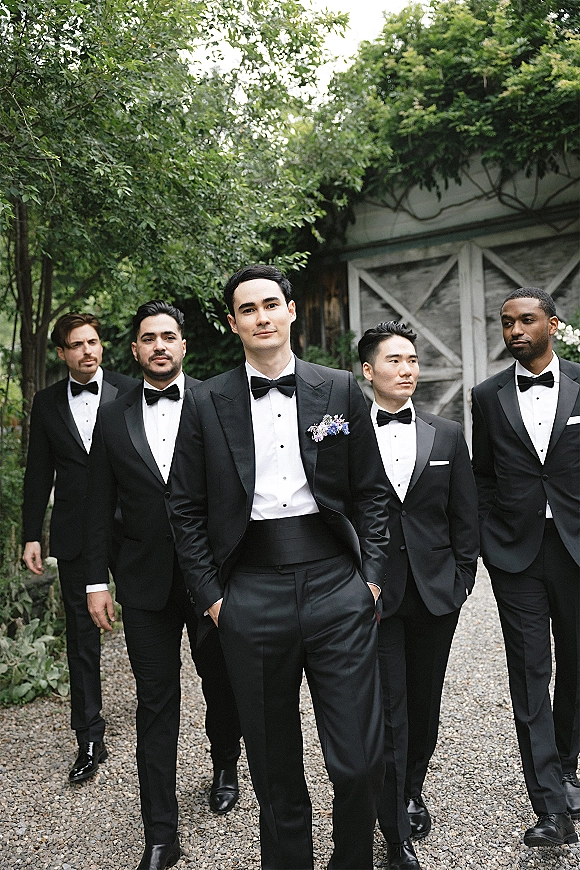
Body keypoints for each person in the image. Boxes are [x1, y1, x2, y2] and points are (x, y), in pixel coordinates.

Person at [169, 264, 390, 870]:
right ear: (232, 323)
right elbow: (184, 507)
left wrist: (371, 578)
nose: (261, 317)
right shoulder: (205, 400)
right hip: (250, 592)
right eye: (248, 309)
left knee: (359, 760)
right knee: (274, 767)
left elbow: (372, 491)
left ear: (291, 311)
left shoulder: (338, 388)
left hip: (335, 583)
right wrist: (213, 597)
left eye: (271, 304)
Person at [84, 300, 242, 870]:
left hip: (211, 580)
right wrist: (94, 582)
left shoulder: (215, 403)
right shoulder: (111, 416)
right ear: (135, 349)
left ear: (183, 345)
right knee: (155, 701)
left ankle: (225, 764)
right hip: (143, 582)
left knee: (221, 682)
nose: (159, 346)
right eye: (148, 338)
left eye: (168, 336)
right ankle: (160, 834)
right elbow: (97, 504)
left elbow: (237, 490)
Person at [359, 321, 479, 870]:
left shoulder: (446, 434)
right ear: (368, 371)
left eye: (412, 359)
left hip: (436, 593)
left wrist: (461, 579)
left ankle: (411, 788)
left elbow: (464, 515)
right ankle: (394, 829)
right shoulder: (347, 435)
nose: (407, 369)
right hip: (375, 595)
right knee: (389, 709)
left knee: (425, 703)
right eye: (394, 360)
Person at [471, 287, 580, 848]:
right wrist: (488, 540)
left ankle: (568, 766)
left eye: (526, 320)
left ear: (552, 325)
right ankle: (550, 805)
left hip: (576, 548)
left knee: (576, 665)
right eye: (506, 321)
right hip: (516, 554)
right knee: (530, 672)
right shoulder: (486, 396)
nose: (515, 330)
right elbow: (482, 475)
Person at [22, 312, 137, 783]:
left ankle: (158, 712)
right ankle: (89, 737)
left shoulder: (131, 390)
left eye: (93, 342)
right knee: (80, 638)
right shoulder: (46, 402)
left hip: (129, 528)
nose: (87, 351)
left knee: (148, 622)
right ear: (62, 353)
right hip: (73, 531)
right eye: (76, 344)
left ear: (101, 345)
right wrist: (32, 533)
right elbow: (37, 471)